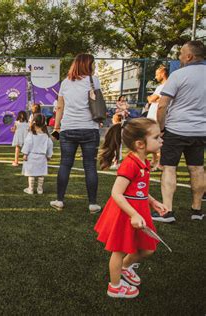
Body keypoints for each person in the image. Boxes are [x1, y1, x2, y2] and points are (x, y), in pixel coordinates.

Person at [96, 118, 167, 299]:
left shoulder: (143, 161)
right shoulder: (130, 164)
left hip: (139, 211)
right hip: (126, 214)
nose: (161, 141)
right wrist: (134, 214)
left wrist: (152, 201)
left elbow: (139, 188)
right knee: (118, 250)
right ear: (140, 144)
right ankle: (115, 286)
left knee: (148, 248)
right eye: (157, 137)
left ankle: (125, 267)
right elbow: (116, 193)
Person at [156, 41, 206, 222]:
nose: (179, 57)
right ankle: (197, 210)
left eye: (181, 53)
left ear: (189, 56)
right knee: (197, 168)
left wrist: (160, 128)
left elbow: (162, 105)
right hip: (201, 131)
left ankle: (167, 211)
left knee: (169, 167)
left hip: (176, 129)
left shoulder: (179, 75)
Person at [50, 53, 102, 214]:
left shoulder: (65, 83)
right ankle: (92, 204)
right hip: (90, 129)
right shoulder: (94, 81)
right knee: (90, 166)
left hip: (68, 129)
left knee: (65, 164)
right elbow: (98, 103)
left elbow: (59, 107)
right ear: (88, 65)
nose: (94, 66)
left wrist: (57, 127)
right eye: (93, 64)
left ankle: (59, 200)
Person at [21, 114, 53, 194]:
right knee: (41, 174)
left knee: (31, 173)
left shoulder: (31, 134)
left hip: (31, 157)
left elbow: (28, 144)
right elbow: (50, 145)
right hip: (42, 157)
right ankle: (40, 189)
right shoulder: (46, 136)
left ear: (34, 122)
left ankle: (30, 189)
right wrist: (49, 155)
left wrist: (25, 154)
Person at [146, 65, 169, 171]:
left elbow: (151, 99)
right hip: (153, 118)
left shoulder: (164, 86)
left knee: (157, 141)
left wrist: (151, 98)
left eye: (157, 74)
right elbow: (152, 99)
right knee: (152, 139)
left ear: (163, 73)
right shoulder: (160, 86)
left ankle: (159, 163)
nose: (155, 77)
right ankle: (155, 160)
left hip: (157, 118)